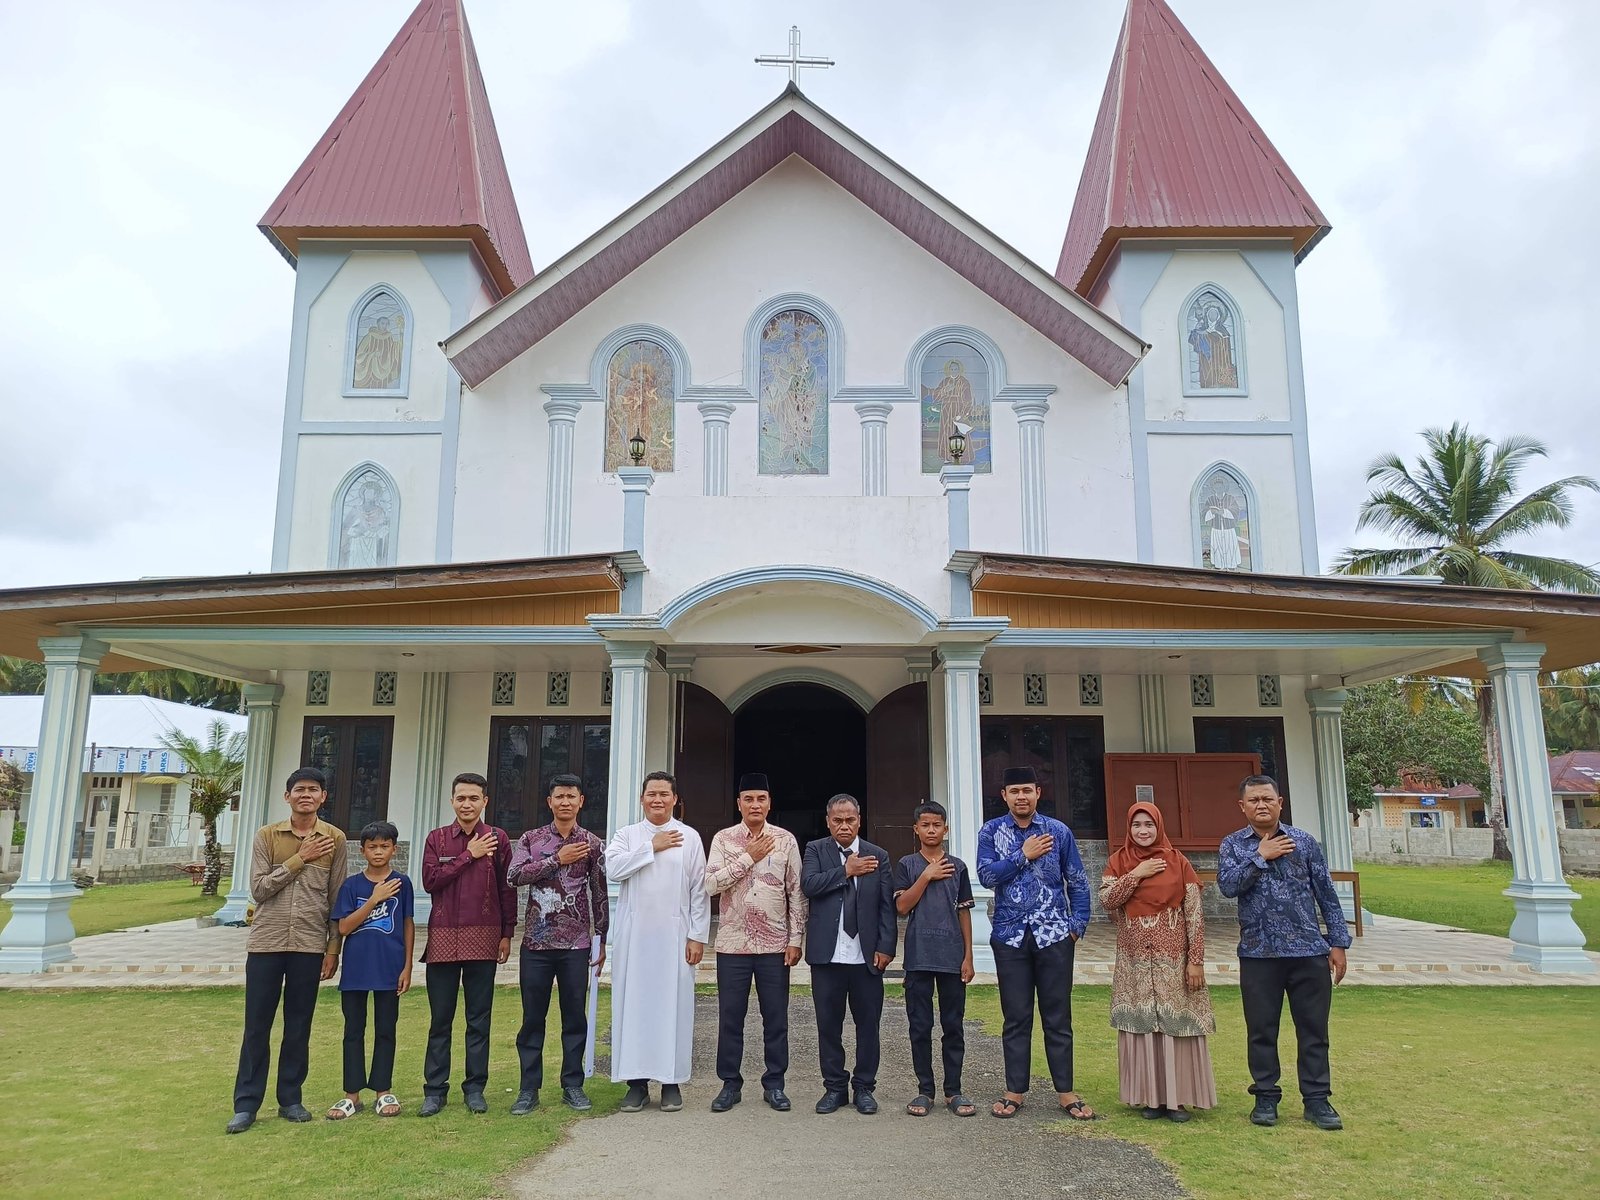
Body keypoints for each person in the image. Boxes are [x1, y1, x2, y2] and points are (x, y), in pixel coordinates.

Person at [1217, 775, 1351, 1132]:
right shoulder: (1233, 845)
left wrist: (1338, 943)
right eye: (1254, 800)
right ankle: (1265, 1097)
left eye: (1267, 799)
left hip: (1308, 951)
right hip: (1258, 954)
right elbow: (1228, 886)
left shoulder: (1304, 842)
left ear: (1280, 802)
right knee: (1261, 1030)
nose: (1261, 805)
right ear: (1242, 806)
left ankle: (1317, 1099)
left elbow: (1326, 894)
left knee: (1314, 1030)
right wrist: (1259, 857)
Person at [226, 767, 347, 1134]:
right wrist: (301, 858)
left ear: (323, 797)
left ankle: (290, 1099)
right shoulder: (267, 836)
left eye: (313, 790)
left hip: (309, 945)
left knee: (298, 1025)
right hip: (267, 942)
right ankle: (246, 1104)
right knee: (256, 1026)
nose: (305, 795)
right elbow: (259, 889)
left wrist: (333, 948)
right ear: (287, 796)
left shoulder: (335, 839)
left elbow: (336, 897)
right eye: (299, 789)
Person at [976, 765, 1094, 1121]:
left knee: (1058, 1017)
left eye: (1027, 790)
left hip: (1054, 936)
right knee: (1016, 1017)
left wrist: (1076, 927)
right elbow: (986, 875)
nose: (1021, 797)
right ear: (1004, 796)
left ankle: (1066, 1091)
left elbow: (1078, 881)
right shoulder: (991, 831)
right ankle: (1014, 1091)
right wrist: (1023, 854)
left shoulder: (1058, 832)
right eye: (1014, 791)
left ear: (1038, 793)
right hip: (1010, 936)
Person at [1100, 802, 1217, 1123]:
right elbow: (1107, 899)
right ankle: (1151, 1098)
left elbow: (1194, 915)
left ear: (1159, 826)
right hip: (1134, 964)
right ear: (1129, 828)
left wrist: (1196, 961)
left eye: (1149, 824)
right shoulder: (1118, 862)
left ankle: (1177, 1100)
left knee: (1175, 1025)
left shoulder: (1179, 862)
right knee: (1142, 1026)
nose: (1143, 831)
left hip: (1174, 962)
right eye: (1136, 825)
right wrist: (1136, 874)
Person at [605, 771, 709, 1113]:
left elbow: (699, 889)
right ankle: (635, 1084)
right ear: (642, 799)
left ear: (675, 799)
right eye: (652, 794)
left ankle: (670, 1082)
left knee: (672, 1007)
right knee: (634, 1006)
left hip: (675, 937)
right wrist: (652, 846)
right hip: (635, 937)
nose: (658, 800)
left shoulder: (689, 837)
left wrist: (697, 935)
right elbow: (613, 869)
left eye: (665, 794)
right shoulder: (627, 835)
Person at [506, 773, 608, 1114]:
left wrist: (601, 938)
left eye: (571, 796)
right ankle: (528, 1089)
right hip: (536, 943)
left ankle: (572, 1085)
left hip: (576, 944)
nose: (565, 802)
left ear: (581, 801)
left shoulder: (592, 843)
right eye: (559, 796)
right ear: (549, 802)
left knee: (574, 1018)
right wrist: (556, 860)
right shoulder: (531, 839)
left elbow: (599, 893)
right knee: (532, 1018)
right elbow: (513, 877)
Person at [705, 772, 807, 1113]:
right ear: (739, 804)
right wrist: (748, 856)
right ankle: (729, 1085)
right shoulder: (723, 839)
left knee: (775, 1019)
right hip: (732, 945)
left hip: (774, 946)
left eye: (761, 799)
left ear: (769, 803)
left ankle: (774, 1084)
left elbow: (796, 892)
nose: (755, 805)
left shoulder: (785, 840)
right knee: (730, 1018)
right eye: (748, 799)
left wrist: (796, 939)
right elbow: (710, 885)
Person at [418, 772, 516, 1117]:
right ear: (452, 801)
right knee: (440, 1020)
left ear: (484, 802)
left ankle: (475, 1089)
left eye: (474, 798)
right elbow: (430, 881)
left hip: (485, 937)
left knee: (479, 1019)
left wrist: (507, 932)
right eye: (461, 798)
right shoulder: (437, 838)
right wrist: (469, 855)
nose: (467, 804)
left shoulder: (498, 839)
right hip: (443, 937)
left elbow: (507, 888)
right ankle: (434, 1091)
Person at [801, 793, 897, 1115]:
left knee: (868, 1026)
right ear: (828, 822)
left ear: (859, 820)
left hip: (865, 958)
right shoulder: (816, 850)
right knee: (828, 1026)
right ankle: (835, 1088)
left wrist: (886, 947)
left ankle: (865, 1088)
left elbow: (886, 906)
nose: (844, 825)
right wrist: (846, 870)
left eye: (850, 820)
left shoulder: (878, 855)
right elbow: (809, 885)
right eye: (838, 820)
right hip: (827, 956)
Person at [327, 820, 415, 1120]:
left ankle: (382, 1090)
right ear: (362, 850)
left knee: (386, 1029)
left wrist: (407, 966)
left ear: (394, 849)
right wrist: (375, 899)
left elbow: (407, 923)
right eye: (372, 847)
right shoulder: (352, 885)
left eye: (384, 846)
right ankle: (351, 1095)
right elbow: (344, 927)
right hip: (356, 969)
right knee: (353, 1030)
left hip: (390, 967)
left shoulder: (402, 883)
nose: (378, 852)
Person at [893, 801, 976, 1118]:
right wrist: (926, 876)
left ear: (946, 829)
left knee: (953, 1026)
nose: (931, 830)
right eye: (925, 825)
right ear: (916, 829)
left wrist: (968, 956)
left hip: (952, 957)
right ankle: (925, 1090)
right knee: (920, 1026)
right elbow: (902, 907)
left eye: (936, 825)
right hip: (919, 957)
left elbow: (964, 912)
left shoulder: (958, 867)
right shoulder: (908, 865)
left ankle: (953, 1090)